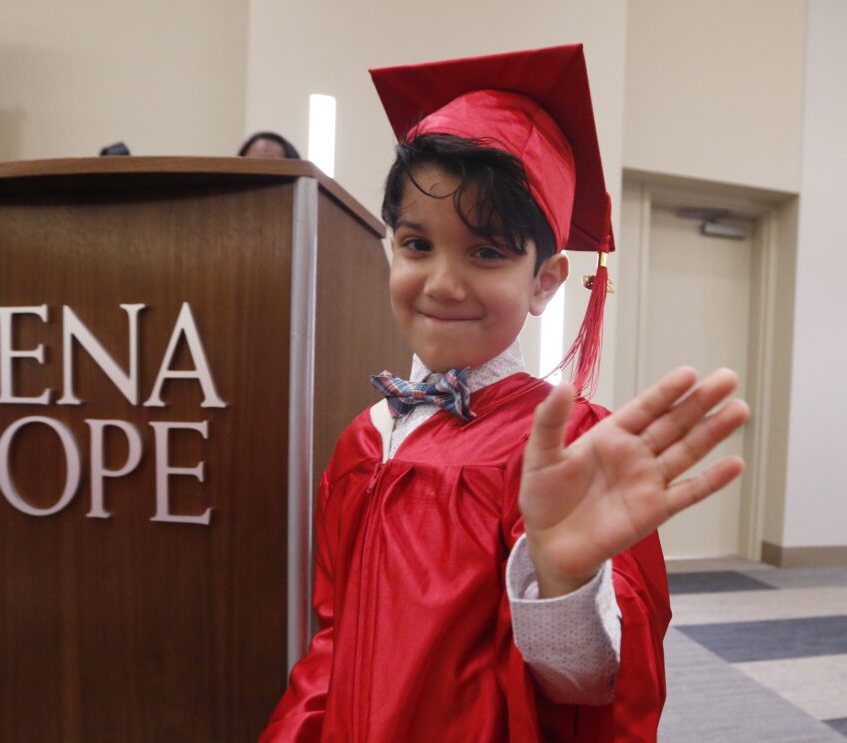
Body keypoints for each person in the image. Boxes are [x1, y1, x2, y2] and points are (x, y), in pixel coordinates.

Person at [260, 46, 750, 741]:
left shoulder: (565, 449)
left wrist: (563, 586)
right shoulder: (364, 439)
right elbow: (333, 640)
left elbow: (594, 688)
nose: (442, 283)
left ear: (546, 280)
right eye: (417, 244)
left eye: (486, 252)